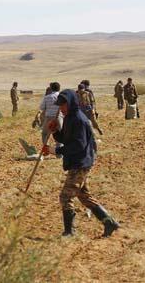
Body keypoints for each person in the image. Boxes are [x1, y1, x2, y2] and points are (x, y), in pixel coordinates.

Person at [49, 89, 119, 237]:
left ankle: (69, 232)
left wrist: (57, 151)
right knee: (84, 196)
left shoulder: (79, 120)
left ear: (71, 103)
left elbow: (78, 145)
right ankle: (109, 222)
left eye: (64, 105)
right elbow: (66, 138)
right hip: (78, 161)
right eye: (60, 106)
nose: (61, 108)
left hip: (80, 163)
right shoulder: (69, 117)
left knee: (65, 197)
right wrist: (55, 131)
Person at [39, 82, 62, 154]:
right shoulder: (61, 96)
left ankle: (46, 150)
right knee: (60, 135)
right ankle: (60, 153)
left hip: (49, 118)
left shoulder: (47, 97)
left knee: (45, 134)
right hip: (59, 118)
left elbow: (42, 107)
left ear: (51, 88)